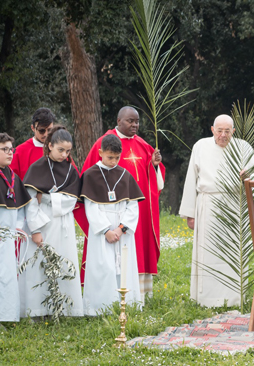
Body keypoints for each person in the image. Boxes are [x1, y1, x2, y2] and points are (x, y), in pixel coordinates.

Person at [82, 106, 165, 300]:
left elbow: (155, 181)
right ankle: (105, 297)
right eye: (130, 121)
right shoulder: (104, 143)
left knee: (132, 251)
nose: (135, 125)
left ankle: (136, 293)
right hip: (104, 213)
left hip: (134, 211)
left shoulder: (143, 145)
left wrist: (154, 165)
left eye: (137, 121)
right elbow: (90, 181)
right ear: (119, 121)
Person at [179, 115, 254, 307]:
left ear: (233, 131)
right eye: (219, 131)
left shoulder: (243, 147)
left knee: (232, 250)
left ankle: (233, 298)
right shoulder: (201, 146)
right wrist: (189, 213)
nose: (223, 135)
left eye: (227, 131)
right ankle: (205, 299)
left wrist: (247, 175)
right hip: (208, 204)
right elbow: (191, 178)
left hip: (234, 205)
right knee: (208, 251)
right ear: (212, 129)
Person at [22, 125, 83, 317]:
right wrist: (35, 229)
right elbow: (31, 201)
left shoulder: (71, 171)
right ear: (49, 146)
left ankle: (64, 309)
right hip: (42, 223)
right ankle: (38, 310)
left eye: (68, 151)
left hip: (62, 222)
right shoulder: (37, 168)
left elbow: (71, 200)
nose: (65, 155)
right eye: (61, 150)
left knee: (64, 261)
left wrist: (47, 197)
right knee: (39, 264)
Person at [82, 135, 144, 314]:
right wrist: (106, 230)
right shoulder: (90, 175)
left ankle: (127, 305)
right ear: (100, 153)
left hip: (122, 231)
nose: (113, 161)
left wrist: (121, 228)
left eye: (117, 157)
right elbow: (91, 207)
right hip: (102, 231)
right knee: (103, 267)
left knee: (124, 267)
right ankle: (99, 308)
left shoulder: (125, 175)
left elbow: (132, 206)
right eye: (110, 157)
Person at [0, 133, 31, 323]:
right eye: (4, 149)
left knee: (6, 278)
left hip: (7, 239)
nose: (9, 153)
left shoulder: (12, 177)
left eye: (11, 149)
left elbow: (21, 208)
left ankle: (7, 316)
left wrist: (17, 228)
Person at [10, 108, 54, 179]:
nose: (46, 134)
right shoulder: (19, 152)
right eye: (41, 130)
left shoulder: (60, 149)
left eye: (50, 130)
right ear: (33, 128)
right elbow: (11, 180)